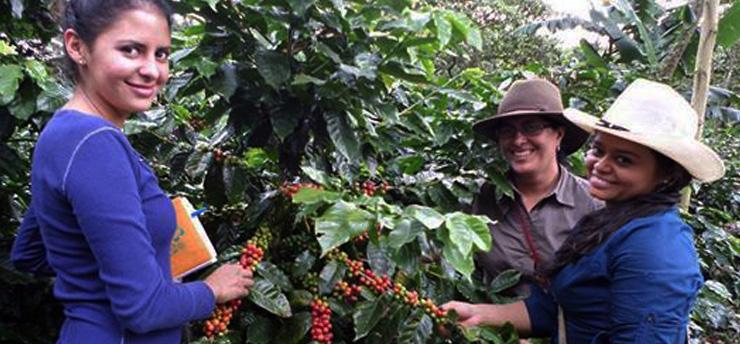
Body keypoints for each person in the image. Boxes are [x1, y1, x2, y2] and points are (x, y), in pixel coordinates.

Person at [10, 1, 253, 343]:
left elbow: (30, 253)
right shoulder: (94, 146)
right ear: (77, 46)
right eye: (131, 50)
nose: (153, 70)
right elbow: (144, 309)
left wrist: (123, 271)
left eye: (162, 54)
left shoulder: (63, 132)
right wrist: (211, 290)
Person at [444, 78, 726, 342]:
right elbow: (562, 308)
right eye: (599, 150)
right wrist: (479, 315)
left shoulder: (655, 246)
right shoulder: (609, 223)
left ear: (665, 175)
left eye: (624, 160)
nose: (601, 165)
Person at [471, 78, 602, 291]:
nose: (518, 140)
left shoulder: (595, 205)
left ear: (558, 135)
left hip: (572, 323)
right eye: (507, 131)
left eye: (532, 127)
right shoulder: (477, 199)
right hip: (490, 320)